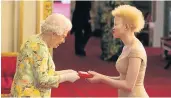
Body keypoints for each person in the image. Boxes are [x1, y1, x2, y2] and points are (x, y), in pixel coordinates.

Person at [10, 13, 80, 97]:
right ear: (53, 34)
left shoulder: (34, 40)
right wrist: (66, 77)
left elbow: (42, 73)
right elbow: (43, 81)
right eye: (63, 36)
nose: (63, 41)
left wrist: (66, 72)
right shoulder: (40, 49)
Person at [87, 5, 149, 97]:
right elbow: (122, 78)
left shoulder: (135, 50)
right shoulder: (127, 46)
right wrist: (99, 76)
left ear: (126, 27)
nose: (113, 28)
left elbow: (128, 86)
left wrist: (102, 78)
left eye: (116, 24)